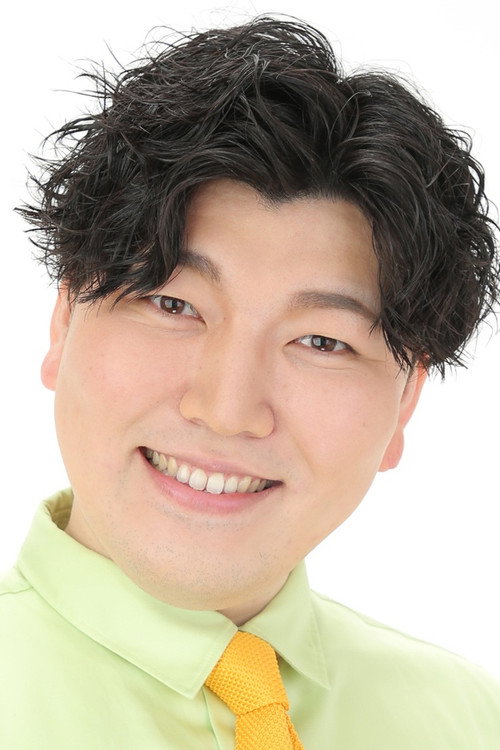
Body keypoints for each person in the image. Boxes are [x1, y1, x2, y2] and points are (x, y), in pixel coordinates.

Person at [1, 15, 499, 749]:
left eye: (321, 341)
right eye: (173, 304)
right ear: (64, 320)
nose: (227, 409)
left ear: (406, 400)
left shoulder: (468, 720)